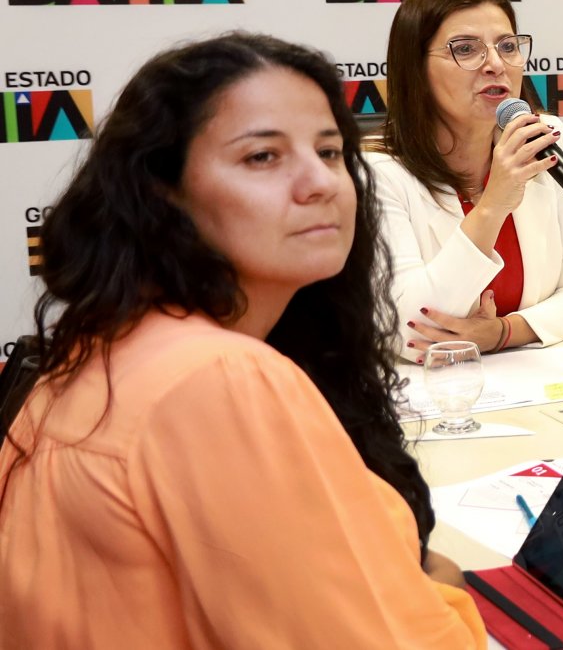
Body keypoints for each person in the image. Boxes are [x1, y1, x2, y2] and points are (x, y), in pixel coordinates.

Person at [0, 33, 485, 648]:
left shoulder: (113, 344)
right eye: (262, 157)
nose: (320, 182)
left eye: (330, 151)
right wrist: (446, 594)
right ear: (162, 192)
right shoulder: (217, 376)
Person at [365, 0, 563, 362]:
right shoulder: (377, 172)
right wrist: (493, 206)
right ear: (415, 67)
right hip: (430, 388)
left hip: (530, 375)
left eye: (507, 46)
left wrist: (502, 333)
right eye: (466, 49)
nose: (496, 64)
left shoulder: (546, 137)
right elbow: (409, 332)